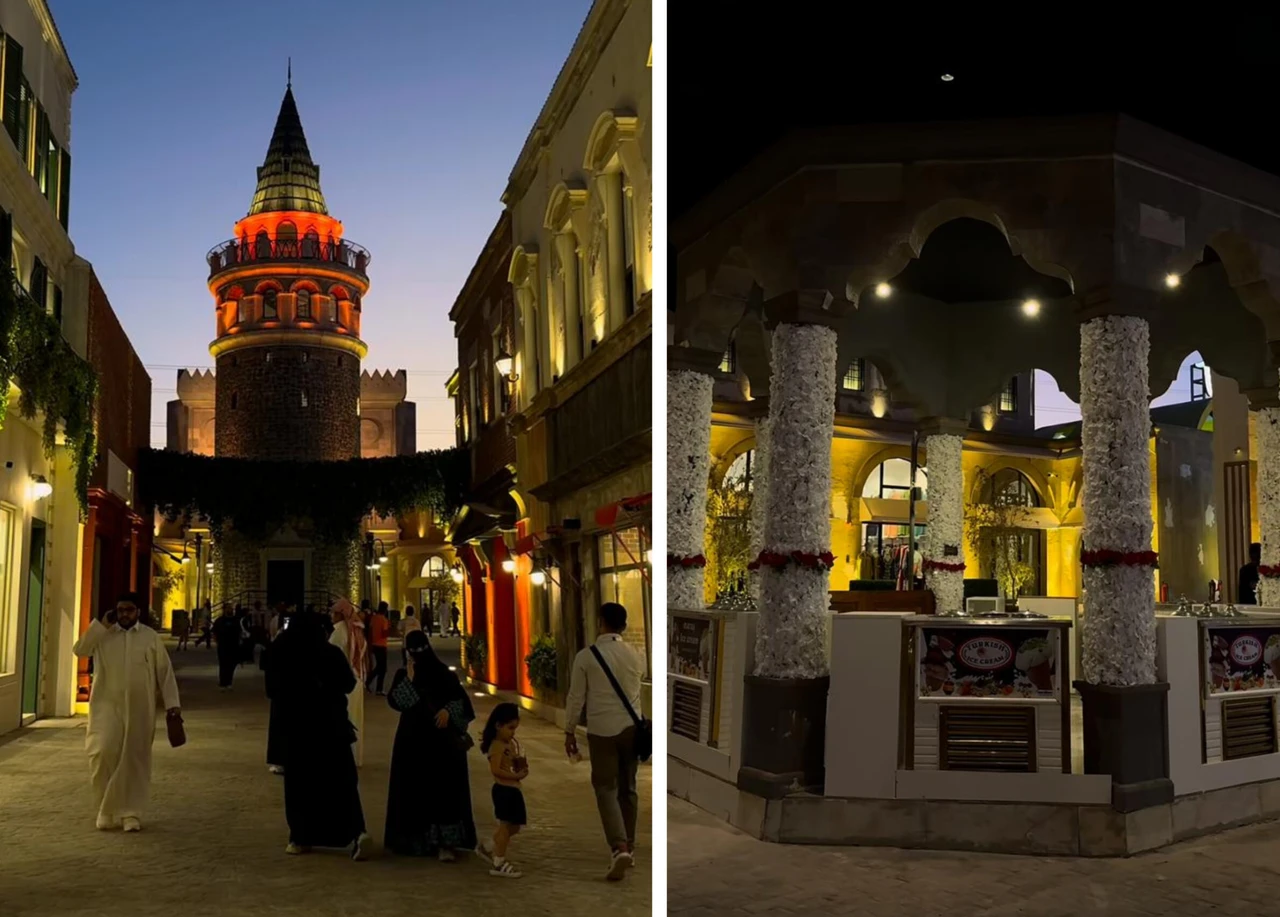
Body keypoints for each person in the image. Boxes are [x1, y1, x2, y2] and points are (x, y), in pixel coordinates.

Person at [265, 610, 372, 859]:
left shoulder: (281, 652)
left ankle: (300, 837)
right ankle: (356, 832)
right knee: (343, 782)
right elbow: (348, 684)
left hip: (295, 732)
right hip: (330, 729)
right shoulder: (329, 653)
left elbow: (271, 690)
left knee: (299, 787)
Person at [72, 592, 181, 832]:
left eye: (129, 610)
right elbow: (80, 650)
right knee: (102, 753)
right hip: (106, 707)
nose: (124, 614)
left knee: (134, 759)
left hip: (141, 709)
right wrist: (100, 625)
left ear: (138, 612)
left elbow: (165, 673)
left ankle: (130, 812)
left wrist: (173, 705)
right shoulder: (103, 635)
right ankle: (105, 809)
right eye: (120, 610)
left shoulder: (149, 637)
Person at [563, 602, 643, 880]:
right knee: (629, 788)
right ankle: (629, 847)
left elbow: (576, 697)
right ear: (623, 625)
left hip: (601, 730)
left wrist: (569, 730)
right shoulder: (636, 654)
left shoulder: (586, 657)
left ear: (601, 623)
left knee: (605, 788)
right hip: (632, 729)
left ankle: (618, 846)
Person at [384, 630, 477, 861]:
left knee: (443, 792)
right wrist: (410, 679)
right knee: (416, 791)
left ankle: (446, 842)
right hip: (413, 743)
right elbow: (399, 702)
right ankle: (419, 842)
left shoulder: (444, 675)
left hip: (440, 744)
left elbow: (463, 704)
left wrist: (447, 711)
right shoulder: (404, 675)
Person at [477, 704, 528, 878]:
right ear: (498, 726)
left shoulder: (509, 744)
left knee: (515, 826)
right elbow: (496, 770)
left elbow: (511, 764)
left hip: (513, 789)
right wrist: (514, 776)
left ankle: (490, 846)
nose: (513, 732)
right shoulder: (497, 746)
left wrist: (519, 767)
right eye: (510, 728)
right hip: (503, 789)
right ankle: (498, 861)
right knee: (505, 826)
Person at [330, 599, 368, 767]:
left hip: (344, 681)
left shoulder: (339, 631)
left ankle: (344, 758)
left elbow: (332, 656)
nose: (331, 616)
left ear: (340, 614)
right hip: (357, 680)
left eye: (334, 613)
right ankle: (354, 757)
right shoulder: (357, 630)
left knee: (344, 720)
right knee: (356, 719)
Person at [213, 606, 243, 690]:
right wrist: (217, 641)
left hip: (233, 647)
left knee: (231, 665)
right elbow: (214, 632)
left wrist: (239, 642)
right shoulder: (219, 621)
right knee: (223, 664)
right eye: (228, 608)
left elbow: (240, 632)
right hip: (223, 646)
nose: (230, 610)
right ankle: (222, 683)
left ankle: (229, 682)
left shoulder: (236, 621)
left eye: (231, 609)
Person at [365, 602, 391, 695]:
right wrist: (390, 629)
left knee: (379, 667)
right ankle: (377, 688)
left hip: (374, 644)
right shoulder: (384, 620)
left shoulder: (374, 618)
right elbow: (384, 634)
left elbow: (370, 631)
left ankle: (370, 683)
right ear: (385, 610)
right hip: (381, 645)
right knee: (382, 668)